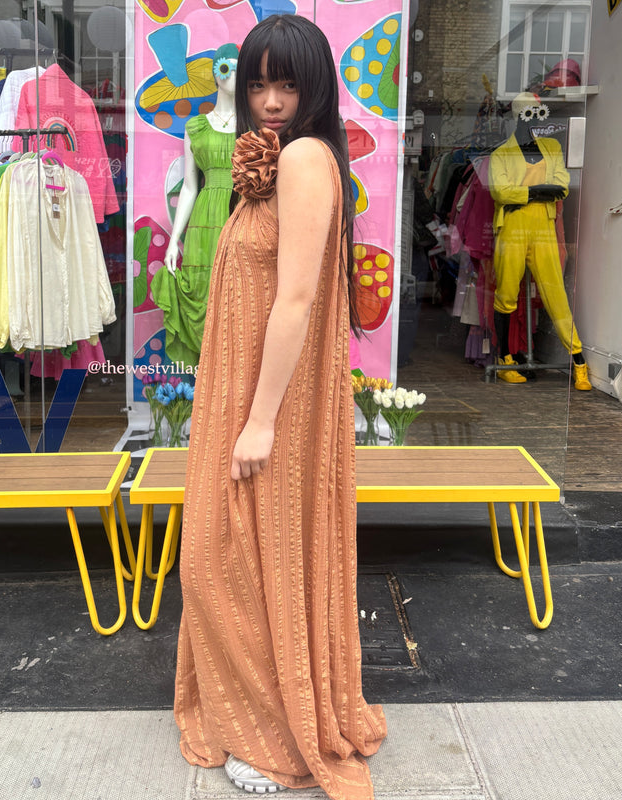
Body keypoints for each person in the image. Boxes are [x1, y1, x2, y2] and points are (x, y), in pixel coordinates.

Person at [173, 14, 387, 800]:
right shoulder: (281, 156)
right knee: (243, 558)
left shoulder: (301, 157)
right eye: (259, 83)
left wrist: (259, 419)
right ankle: (261, 713)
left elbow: (296, 299)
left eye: (287, 84)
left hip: (270, 399)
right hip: (245, 389)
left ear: (314, 87)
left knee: (222, 560)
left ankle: (271, 737)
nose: (269, 99)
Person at [488, 91, 592, 390]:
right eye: (527, 113)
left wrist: (525, 193)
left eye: (537, 112)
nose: (533, 118)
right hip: (512, 227)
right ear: (517, 116)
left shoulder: (552, 147)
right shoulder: (501, 154)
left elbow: (562, 186)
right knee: (506, 293)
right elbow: (500, 192)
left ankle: (578, 359)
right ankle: (505, 359)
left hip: (543, 227)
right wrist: (538, 191)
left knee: (555, 293)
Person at [151, 43, 239, 369]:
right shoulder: (196, 127)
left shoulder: (255, 126)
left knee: (239, 292)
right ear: (215, 73)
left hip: (241, 211)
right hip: (205, 218)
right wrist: (174, 239)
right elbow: (190, 186)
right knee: (204, 289)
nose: (232, 76)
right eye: (226, 68)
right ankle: (209, 381)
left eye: (239, 69)